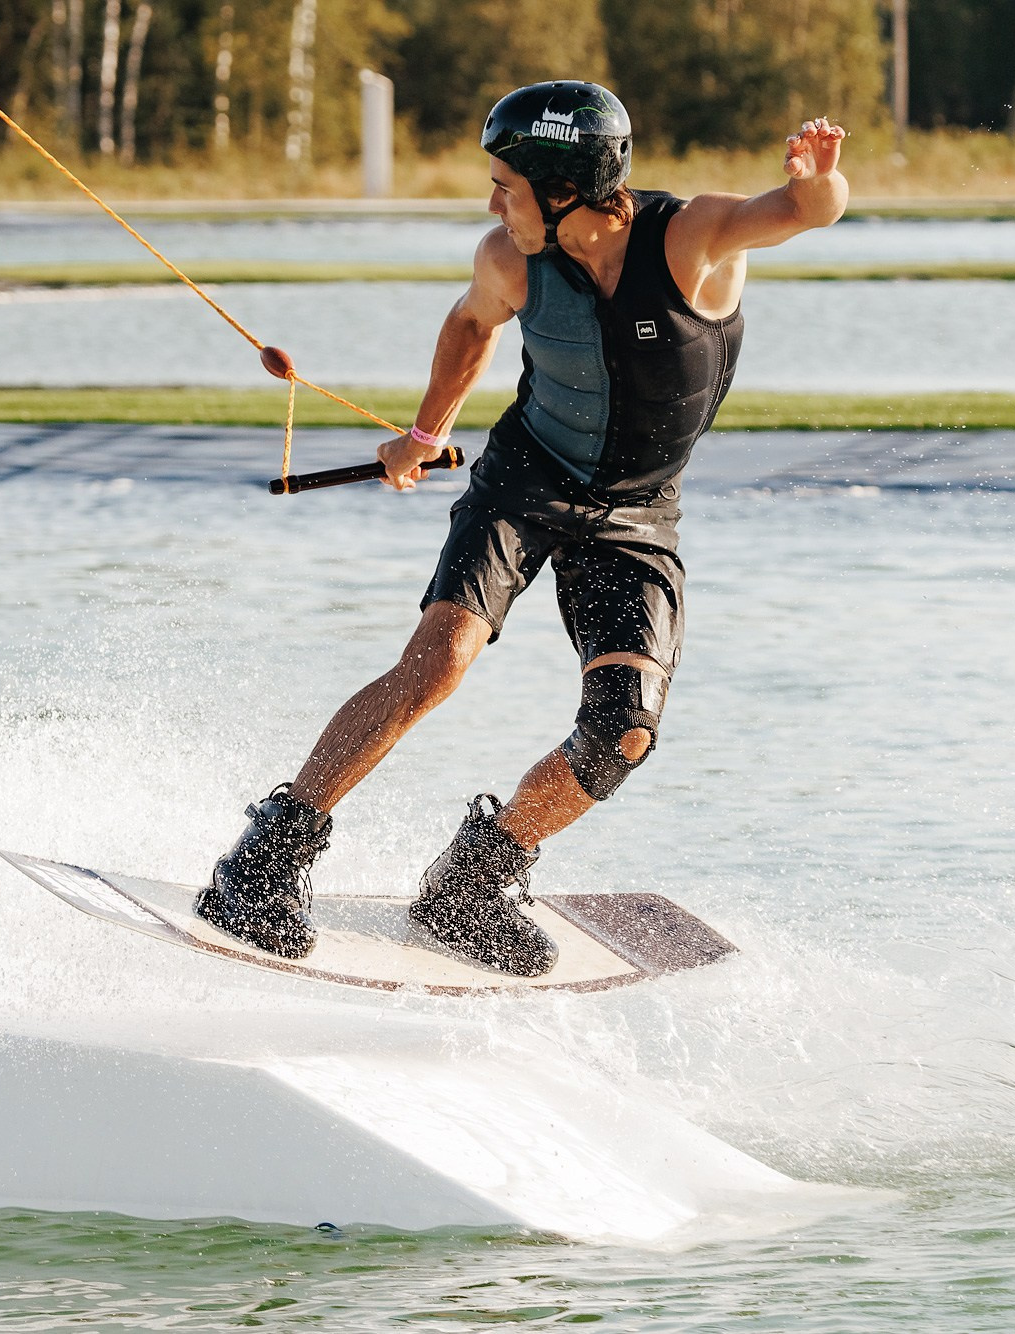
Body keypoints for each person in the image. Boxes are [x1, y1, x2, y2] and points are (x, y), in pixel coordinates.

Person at [197, 81, 848, 976]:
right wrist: (424, 436)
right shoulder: (510, 259)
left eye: (506, 182)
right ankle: (266, 860)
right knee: (436, 667)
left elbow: (802, 211)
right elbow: (471, 325)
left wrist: (818, 180)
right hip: (525, 481)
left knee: (625, 730)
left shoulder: (691, 238)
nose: (492, 200)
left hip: (635, 515)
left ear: (566, 184)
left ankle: (474, 879)